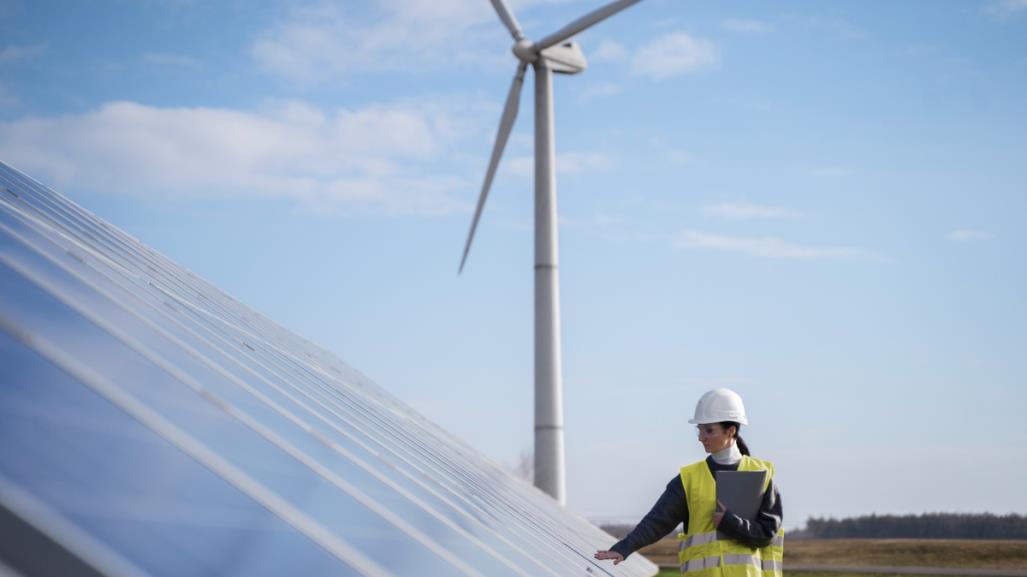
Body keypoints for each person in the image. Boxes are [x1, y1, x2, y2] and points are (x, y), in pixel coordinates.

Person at [593, 388, 784, 576]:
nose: (701, 437)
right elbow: (657, 521)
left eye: (709, 430)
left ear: (731, 431)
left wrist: (731, 523)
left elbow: (767, 533)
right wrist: (624, 547)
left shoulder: (761, 474)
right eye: (699, 429)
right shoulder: (689, 478)